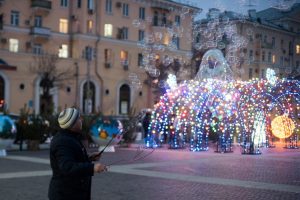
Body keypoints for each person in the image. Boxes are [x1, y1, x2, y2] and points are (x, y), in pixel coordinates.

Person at [48, 107, 107, 200]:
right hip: (66, 195)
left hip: (75, 193)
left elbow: (73, 158)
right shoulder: (63, 141)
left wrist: (89, 158)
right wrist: (92, 167)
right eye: (79, 118)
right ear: (72, 123)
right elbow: (67, 167)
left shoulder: (71, 137)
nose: (81, 120)